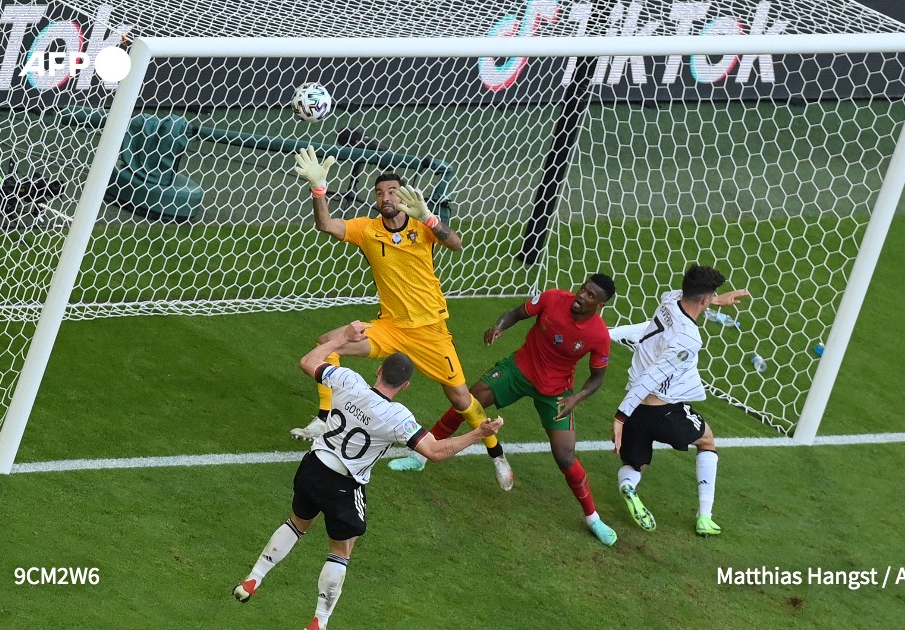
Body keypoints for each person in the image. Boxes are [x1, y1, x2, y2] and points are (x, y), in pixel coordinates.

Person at [233, 320, 504, 630]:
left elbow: (308, 361)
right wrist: (478, 434)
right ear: (405, 386)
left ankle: (253, 579)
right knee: (342, 550)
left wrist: (342, 339)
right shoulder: (398, 417)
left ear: (379, 370)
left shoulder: (348, 380)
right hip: (344, 484)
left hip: (313, 467)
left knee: (296, 524)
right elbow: (436, 452)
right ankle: (319, 622)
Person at [288, 146, 514, 492]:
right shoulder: (367, 229)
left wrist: (430, 218)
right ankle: (323, 418)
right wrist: (319, 189)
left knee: (460, 399)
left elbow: (456, 243)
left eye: (392, 191)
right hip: (390, 327)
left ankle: (496, 452)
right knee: (327, 344)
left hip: (430, 332)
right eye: (379, 193)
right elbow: (326, 225)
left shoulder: (422, 226)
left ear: (403, 195)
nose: (386, 197)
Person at [388, 274, 619, 546]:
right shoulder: (553, 298)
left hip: (556, 392)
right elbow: (516, 313)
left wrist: (575, 399)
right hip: (518, 371)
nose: (581, 296)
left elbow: (597, 378)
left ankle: (593, 518)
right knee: (465, 402)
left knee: (565, 456)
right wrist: (499, 326)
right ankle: (420, 458)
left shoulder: (598, 335)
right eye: (583, 289)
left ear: (600, 305)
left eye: (591, 296)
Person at [609, 264, 750, 537]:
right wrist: (619, 416)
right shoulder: (688, 339)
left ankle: (628, 485)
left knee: (636, 463)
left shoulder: (668, 299)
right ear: (704, 299)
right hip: (662, 410)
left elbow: (687, 296)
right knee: (707, 440)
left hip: (637, 409)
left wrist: (714, 300)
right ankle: (705, 516)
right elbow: (652, 377)